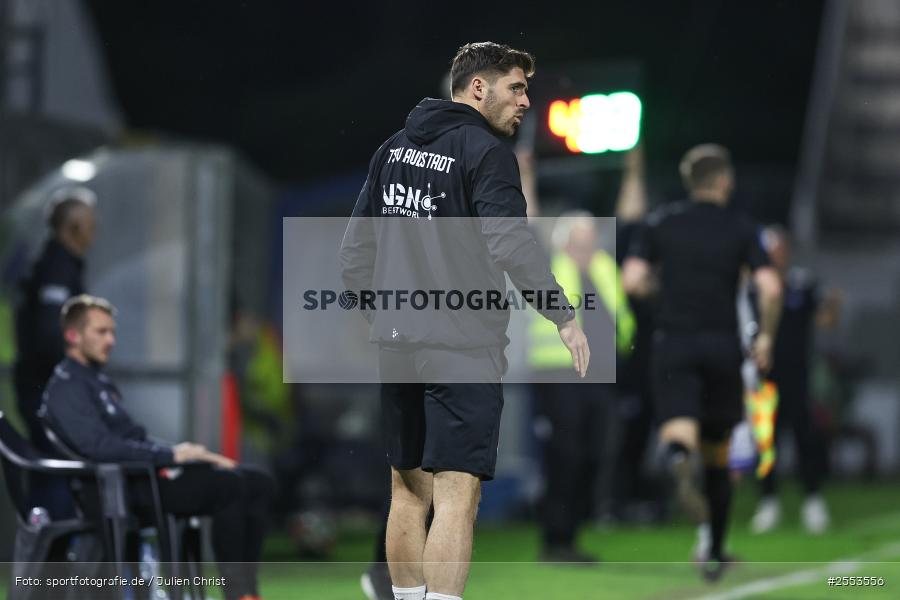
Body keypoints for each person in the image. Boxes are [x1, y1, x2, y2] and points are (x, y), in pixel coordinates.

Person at [340, 42, 589, 600]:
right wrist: (561, 314)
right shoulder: (486, 153)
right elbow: (508, 242)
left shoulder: (393, 150)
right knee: (457, 493)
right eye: (516, 87)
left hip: (400, 341)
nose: (526, 100)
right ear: (479, 88)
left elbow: (355, 251)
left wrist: (379, 316)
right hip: (462, 344)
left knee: (407, 490)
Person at [40, 294, 274, 600]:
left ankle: (248, 592)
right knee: (229, 486)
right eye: (101, 332)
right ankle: (237, 594)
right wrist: (171, 456)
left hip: (139, 477)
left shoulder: (96, 381)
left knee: (258, 481)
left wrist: (191, 454)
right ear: (73, 335)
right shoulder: (67, 387)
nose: (111, 340)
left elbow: (132, 438)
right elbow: (100, 448)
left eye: (112, 331)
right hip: (117, 491)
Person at [623, 144, 782, 582]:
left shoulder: (662, 223)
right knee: (718, 455)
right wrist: (765, 336)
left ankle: (677, 453)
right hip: (721, 347)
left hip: (673, 342)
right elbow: (770, 287)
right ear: (724, 181)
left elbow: (632, 281)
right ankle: (713, 550)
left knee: (680, 424)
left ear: (690, 182)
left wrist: (665, 290)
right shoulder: (741, 227)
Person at [529, 211, 634, 562]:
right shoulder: (548, 264)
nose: (589, 247)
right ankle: (556, 540)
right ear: (565, 241)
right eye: (581, 240)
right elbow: (528, 223)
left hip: (602, 375)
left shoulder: (604, 265)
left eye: (592, 239)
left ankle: (571, 535)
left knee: (595, 455)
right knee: (565, 456)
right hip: (560, 374)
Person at [14, 187, 97, 518]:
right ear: (73, 225)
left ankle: (47, 555)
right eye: (90, 224)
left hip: (46, 389)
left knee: (54, 471)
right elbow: (50, 336)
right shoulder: (56, 268)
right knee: (57, 473)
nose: (94, 232)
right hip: (47, 391)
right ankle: (52, 559)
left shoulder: (62, 265)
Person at [749, 225, 835, 534]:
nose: (776, 256)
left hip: (797, 375)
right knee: (767, 442)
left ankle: (812, 500)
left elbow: (826, 321)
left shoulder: (803, 283)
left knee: (804, 438)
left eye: (780, 249)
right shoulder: (752, 285)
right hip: (764, 377)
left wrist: (832, 305)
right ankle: (768, 502)